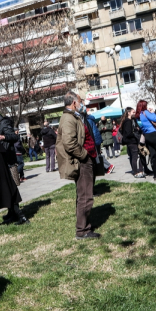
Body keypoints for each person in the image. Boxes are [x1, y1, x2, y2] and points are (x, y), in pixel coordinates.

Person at [56, 92, 100, 240]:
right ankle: (82, 231)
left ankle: (84, 225)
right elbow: (69, 143)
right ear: (74, 103)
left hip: (86, 160)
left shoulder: (73, 116)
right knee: (85, 196)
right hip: (82, 162)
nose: (82, 104)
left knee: (84, 195)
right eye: (80, 101)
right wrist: (84, 155)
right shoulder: (68, 118)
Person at [120, 106, 146, 178]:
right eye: (133, 112)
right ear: (129, 113)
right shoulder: (127, 121)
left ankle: (141, 171)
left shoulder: (133, 120)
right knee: (134, 157)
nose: (135, 113)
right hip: (131, 141)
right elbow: (128, 133)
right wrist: (136, 132)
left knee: (141, 154)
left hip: (135, 140)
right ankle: (135, 172)